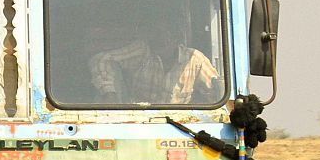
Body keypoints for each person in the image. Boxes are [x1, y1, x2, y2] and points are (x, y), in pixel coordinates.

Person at [88, 24, 221, 105]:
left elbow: (217, 93)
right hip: (138, 120)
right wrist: (110, 93)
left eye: (167, 34)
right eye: (157, 33)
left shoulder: (194, 59)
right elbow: (101, 60)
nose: (161, 38)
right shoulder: (142, 51)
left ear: (177, 38)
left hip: (179, 125)